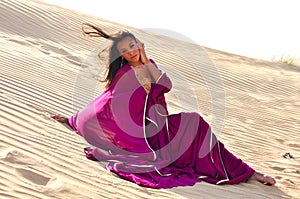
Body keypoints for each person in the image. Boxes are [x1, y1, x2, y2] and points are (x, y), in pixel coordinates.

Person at [52, 23, 276, 188]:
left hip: (158, 126)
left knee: (194, 123)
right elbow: (107, 102)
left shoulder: (149, 65)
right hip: (142, 135)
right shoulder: (125, 73)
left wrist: (145, 57)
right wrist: (75, 120)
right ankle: (245, 172)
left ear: (139, 44)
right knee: (192, 126)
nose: (130, 52)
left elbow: (164, 84)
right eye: (124, 51)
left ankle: (245, 171)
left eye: (132, 46)